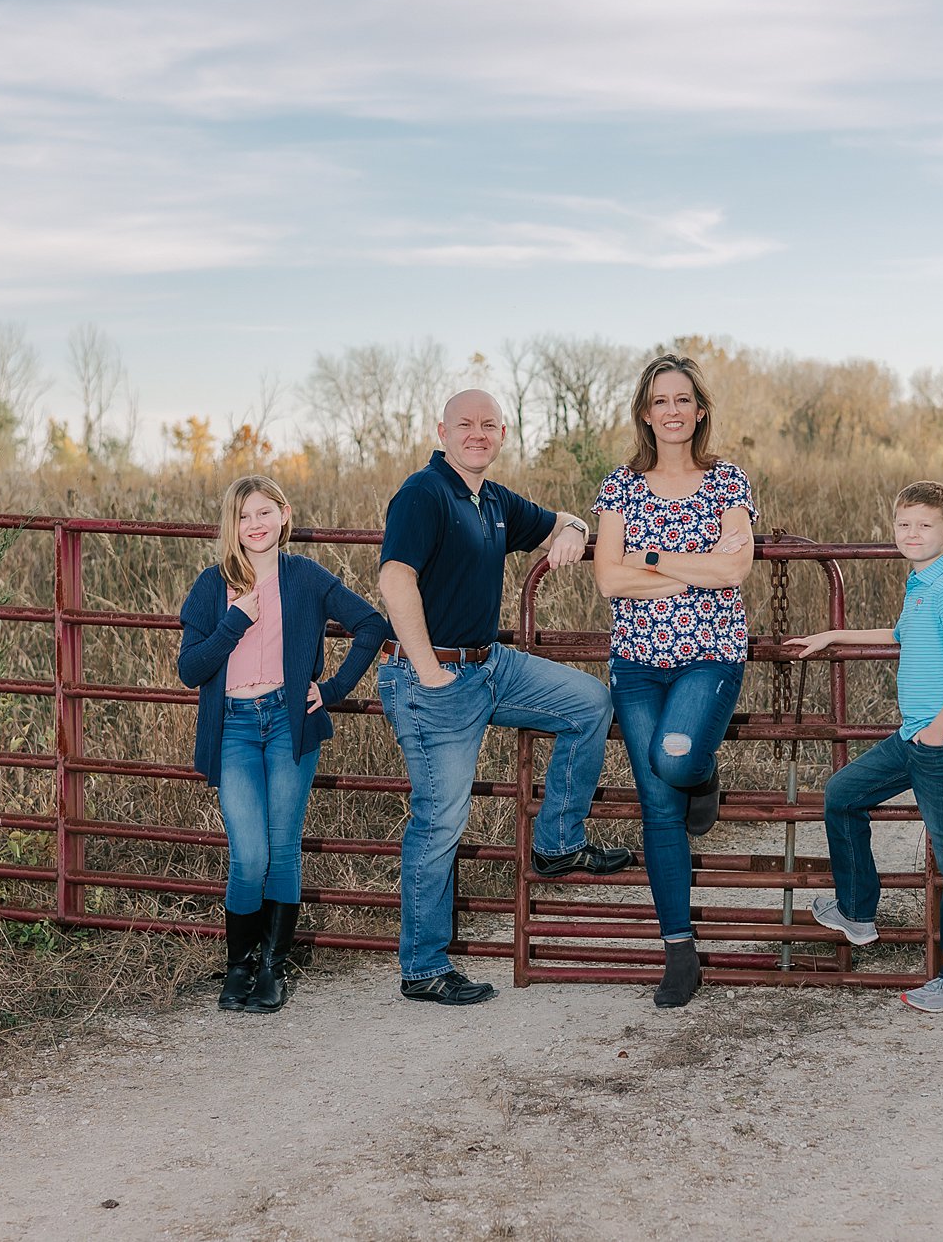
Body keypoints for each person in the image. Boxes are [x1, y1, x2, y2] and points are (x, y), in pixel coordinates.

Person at [377, 389, 631, 1006]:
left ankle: (557, 844)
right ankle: (424, 967)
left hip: (491, 664)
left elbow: (559, 521)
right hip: (432, 678)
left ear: (503, 433)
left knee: (589, 703)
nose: (477, 433)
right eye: (465, 424)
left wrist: (571, 531)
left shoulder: (491, 500)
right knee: (441, 820)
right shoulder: (424, 493)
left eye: (489, 425)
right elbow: (394, 577)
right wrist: (428, 667)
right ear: (441, 430)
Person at [178, 475, 390, 1014]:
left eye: (264, 513)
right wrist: (234, 622)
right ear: (233, 525)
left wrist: (335, 688)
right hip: (234, 727)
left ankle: (272, 966)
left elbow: (371, 623)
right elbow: (189, 669)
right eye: (245, 516)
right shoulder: (211, 585)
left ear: (283, 515)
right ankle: (239, 966)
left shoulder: (304, 577)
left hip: (288, 722)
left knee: (282, 850)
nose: (256, 525)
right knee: (249, 855)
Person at [783, 480, 943, 1012]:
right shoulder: (921, 584)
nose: (912, 533)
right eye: (904, 524)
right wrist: (833, 636)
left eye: (925, 525)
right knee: (843, 793)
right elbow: (902, 635)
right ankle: (857, 911)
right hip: (917, 737)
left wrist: (938, 731)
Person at [590, 352, 756, 1009]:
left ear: (701, 408)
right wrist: (699, 566)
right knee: (658, 808)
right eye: (660, 400)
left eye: (683, 399)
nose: (672, 411)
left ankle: (704, 777)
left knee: (675, 756)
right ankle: (679, 950)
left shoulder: (727, 482)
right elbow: (608, 578)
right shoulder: (619, 487)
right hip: (636, 663)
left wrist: (653, 556)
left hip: (710, 654)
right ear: (644, 411)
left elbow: (735, 572)